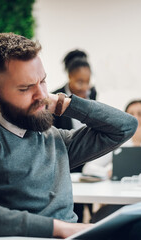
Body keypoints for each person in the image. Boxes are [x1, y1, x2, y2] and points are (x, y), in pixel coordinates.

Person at [0, 33, 141, 240]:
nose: (42, 95)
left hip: (73, 234)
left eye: (43, 81)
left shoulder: (56, 139)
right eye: (25, 88)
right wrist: (57, 228)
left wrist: (69, 104)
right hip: (35, 236)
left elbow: (125, 127)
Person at [52, 49, 97, 223]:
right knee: (75, 208)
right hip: (67, 161)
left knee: (90, 206)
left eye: (88, 82)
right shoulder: (56, 98)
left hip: (89, 159)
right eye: (79, 82)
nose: (85, 88)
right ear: (69, 77)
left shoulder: (92, 94)